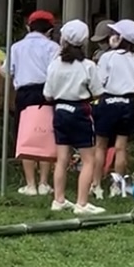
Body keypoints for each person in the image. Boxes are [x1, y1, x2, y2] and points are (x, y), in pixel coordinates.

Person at [42, 20, 104, 215]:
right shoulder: (88, 66)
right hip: (80, 111)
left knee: (61, 158)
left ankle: (58, 199)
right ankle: (82, 203)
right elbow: (97, 92)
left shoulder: (54, 65)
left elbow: (48, 94)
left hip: (60, 110)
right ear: (84, 41)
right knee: (88, 159)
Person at [93, 19, 134, 199]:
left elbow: (99, 82)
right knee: (121, 148)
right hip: (128, 104)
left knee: (100, 146)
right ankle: (117, 185)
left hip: (108, 102)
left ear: (120, 37)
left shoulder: (107, 57)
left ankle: (96, 185)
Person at [10, 10, 59, 197]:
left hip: (24, 93)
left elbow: (8, 72)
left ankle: (30, 184)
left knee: (26, 135)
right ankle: (44, 182)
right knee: (46, 134)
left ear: (28, 26)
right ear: (50, 29)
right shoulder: (53, 47)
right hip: (46, 92)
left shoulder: (16, 47)